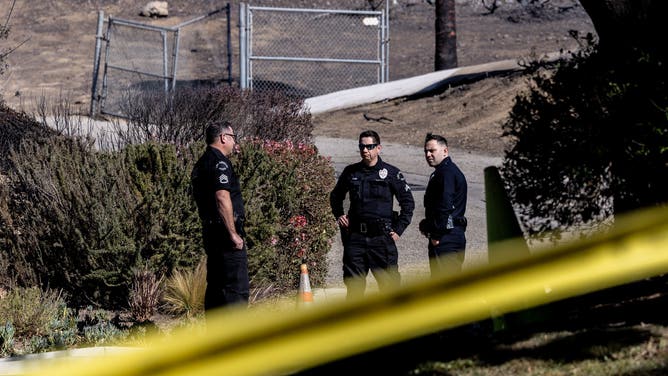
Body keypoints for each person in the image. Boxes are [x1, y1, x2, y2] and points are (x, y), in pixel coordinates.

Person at [330, 130, 415, 299]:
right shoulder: (351, 172)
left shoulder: (391, 173)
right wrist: (339, 214)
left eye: (369, 146)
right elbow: (336, 195)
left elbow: (408, 203)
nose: (365, 150)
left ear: (379, 148)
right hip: (355, 238)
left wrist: (398, 230)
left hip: (381, 239)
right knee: (354, 289)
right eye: (362, 146)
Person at [191, 121, 249, 312]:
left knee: (216, 292)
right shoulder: (220, 163)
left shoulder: (201, 164)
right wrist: (233, 234)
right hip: (226, 239)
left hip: (211, 236)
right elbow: (222, 197)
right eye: (233, 138)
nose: (234, 143)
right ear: (224, 138)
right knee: (235, 293)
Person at [420, 133, 468, 276]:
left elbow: (445, 206)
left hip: (446, 237)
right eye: (426, 151)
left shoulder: (446, 173)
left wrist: (436, 234)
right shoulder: (443, 171)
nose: (428, 154)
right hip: (449, 235)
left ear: (445, 151)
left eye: (432, 151)